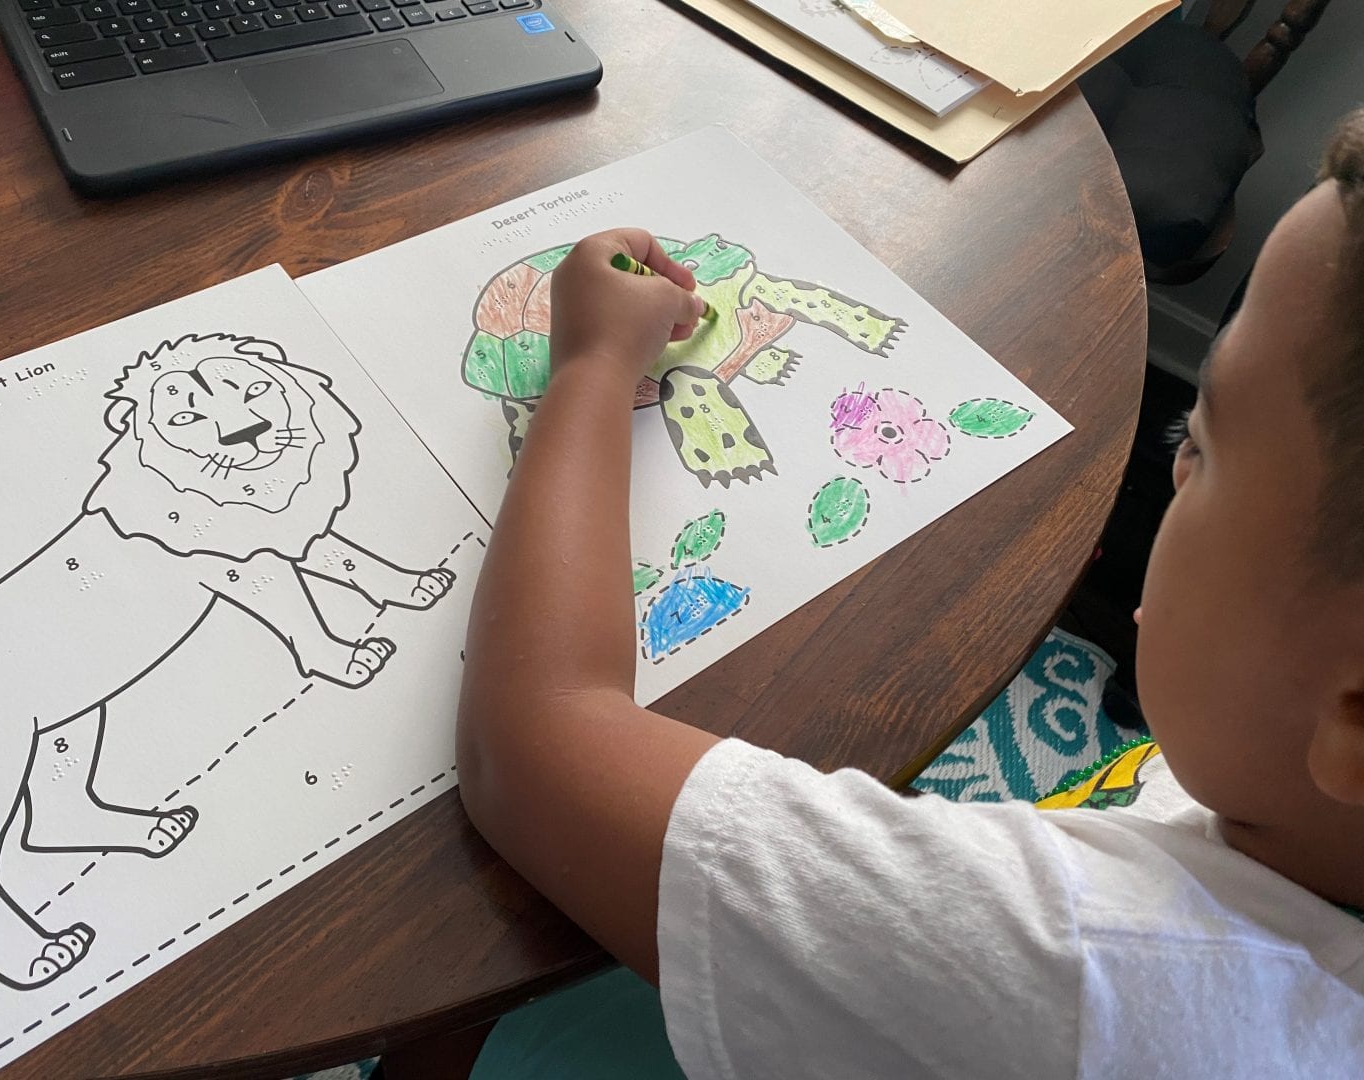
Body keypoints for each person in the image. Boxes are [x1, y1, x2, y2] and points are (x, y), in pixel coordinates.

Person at [455, 109, 1364, 1078]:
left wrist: (591, 366)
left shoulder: (1077, 969)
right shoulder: (1301, 815)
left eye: (1198, 444)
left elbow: (530, 746)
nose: (1173, 475)